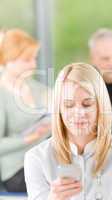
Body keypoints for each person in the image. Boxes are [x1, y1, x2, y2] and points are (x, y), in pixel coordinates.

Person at [24, 63, 112, 200]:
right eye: (69, 105)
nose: (79, 113)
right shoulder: (37, 158)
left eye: (87, 104)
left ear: (100, 105)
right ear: (59, 109)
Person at [0, 29, 51, 192]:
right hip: (16, 170)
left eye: (34, 58)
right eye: (27, 59)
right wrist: (29, 138)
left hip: (44, 160)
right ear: (9, 59)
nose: (34, 65)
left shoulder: (34, 87)